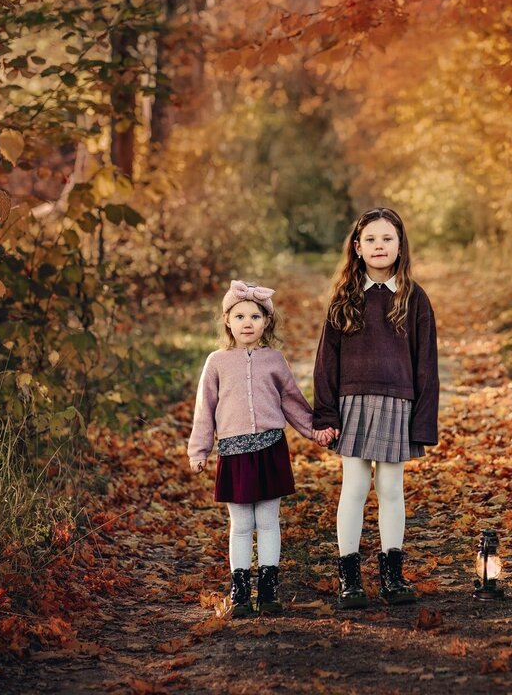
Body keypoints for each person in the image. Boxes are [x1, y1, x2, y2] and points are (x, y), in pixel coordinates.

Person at [313, 208, 439, 608]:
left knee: (390, 489)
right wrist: (326, 414)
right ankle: (349, 578)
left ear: (400, 245)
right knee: (353, 489)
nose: (379, 246)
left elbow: (426, 364)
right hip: (353, 402)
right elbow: (325, 360)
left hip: (398, 402)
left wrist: (423, 421)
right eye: (371, 239)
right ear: (357, 247)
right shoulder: (345, 296)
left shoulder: (414, 298)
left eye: (387, 238)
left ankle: (391, 576)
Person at [188, 281, 335, 617]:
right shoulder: (216, 362)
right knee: (240, 524)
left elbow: (292, 401)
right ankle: (240, 590)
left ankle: (268, 588)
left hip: (270, 449)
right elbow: (204, 409)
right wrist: (200, 451)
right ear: (227, 321)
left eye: (255, 315)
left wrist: (316, 431)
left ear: (266, 321)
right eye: (239, 316)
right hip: (234, 452)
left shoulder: (274, 360)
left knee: (268, 521)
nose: (247, 322)